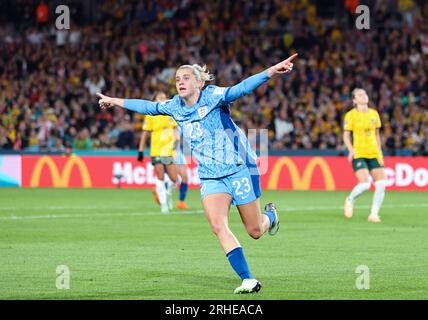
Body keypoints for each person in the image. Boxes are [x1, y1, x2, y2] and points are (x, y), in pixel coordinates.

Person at [96, 53, 297, 294]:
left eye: (186, 77)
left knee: (254, 231)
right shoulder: (174, 106)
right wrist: (114, 100)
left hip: (240, 168)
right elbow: (148, 107)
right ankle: (248, 279)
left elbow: (241, 89)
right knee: (217, 225)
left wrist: (271, 71)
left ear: (199, 82)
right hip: (211, 176)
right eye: (177, 79)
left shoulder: (213, 96)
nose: (180, 82)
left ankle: (271, 217)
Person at [343, 88, 386, 223]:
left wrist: (380, 152)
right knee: (365, 184)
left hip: (373, 153)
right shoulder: (350, 115)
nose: (363, 96)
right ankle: (350, 200)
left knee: (381, 184)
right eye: (359, 95)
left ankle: (374, 214)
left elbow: (377, 134)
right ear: (354, 100)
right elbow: (346, 136)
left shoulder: (374, 114)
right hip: (359, 153)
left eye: (365, 94)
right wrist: (351, 150)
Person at [137, 91, 179, 213]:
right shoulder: (150, 115)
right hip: (157, 150)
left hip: (169, 150)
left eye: (165, 98)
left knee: (174, 179)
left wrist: (178, 142)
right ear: (154, 100)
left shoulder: (170, 114)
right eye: (160, 98)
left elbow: (176, 130)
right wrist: (140, 150)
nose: (163, 99)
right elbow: (145, 133)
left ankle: (168, 195)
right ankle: (163, 204)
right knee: (160, 176)